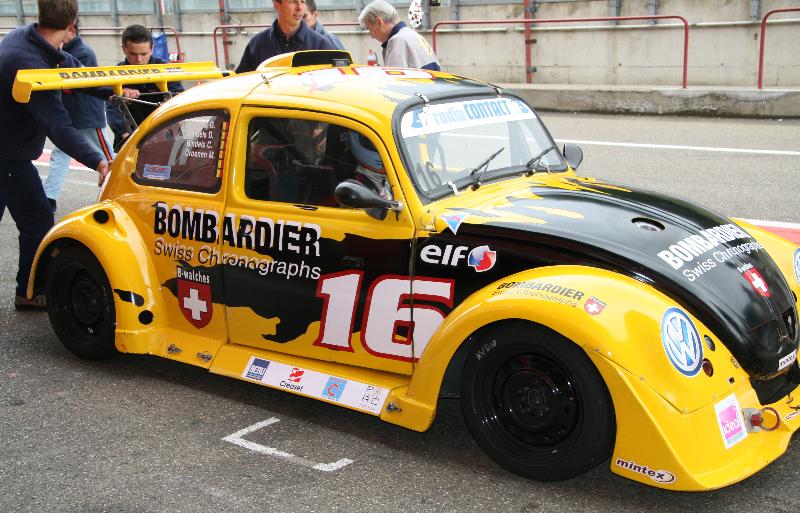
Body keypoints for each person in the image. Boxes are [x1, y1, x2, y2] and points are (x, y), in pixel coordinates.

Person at [0, 0, 135, 310]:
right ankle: (29, 292)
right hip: (6, 155)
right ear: (72, 23)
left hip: (9, 152)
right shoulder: (30, 65)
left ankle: (28, 292)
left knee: (36, 218)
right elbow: (59, 127)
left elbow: (72, 70)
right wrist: (99, 161)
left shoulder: (25, 38)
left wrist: (115, 91)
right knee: (37, 219)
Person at [45, 17, 115, 213]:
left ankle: (118, 190)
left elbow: (73, 86)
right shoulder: (63, 51)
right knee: (60, 154)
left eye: (62, 31)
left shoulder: (83, 53)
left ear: (72, 31)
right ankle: (49, 196)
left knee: (108, 156)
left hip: (87, 116)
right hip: (71, 116)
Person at [106, 24, 184, 149]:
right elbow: (111, 108)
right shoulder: (115, 75)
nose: (139, 60)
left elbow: (181, 98)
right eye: (133, 54)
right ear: (124, 49)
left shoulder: (166, 71)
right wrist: (125, 134)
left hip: (165, 139)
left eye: (143, 54)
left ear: (152, 49)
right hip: (129, 141)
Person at [235, 0, 335, 74]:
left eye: (302, 1)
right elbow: (242, 82)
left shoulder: (321, 45)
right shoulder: (257, 44)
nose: (299, 7)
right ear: (277, 4)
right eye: (293, 1)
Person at [358, 0, 440, 71]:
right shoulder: (413, 35)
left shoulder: (397, 41)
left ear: (379, 22)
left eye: (370, 30)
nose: (372, 36)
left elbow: (393, 80)